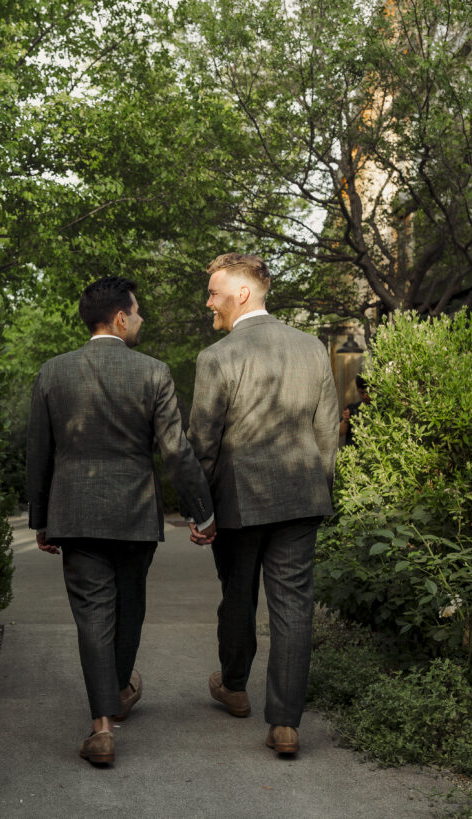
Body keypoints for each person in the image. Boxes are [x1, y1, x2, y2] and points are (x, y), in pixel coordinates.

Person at [26, 276, 216, 766]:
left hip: (76, 514)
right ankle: (117, 692)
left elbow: (39, 454)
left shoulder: (52, 372)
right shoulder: (153, 373)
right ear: (118, 318)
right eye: (137, 312)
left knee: (93, 617)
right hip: (135, 514)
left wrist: (41, 519)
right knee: (129, 607)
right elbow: (175, 452)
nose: (142, 320)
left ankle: (102, 726)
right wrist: (203, 511)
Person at [187, 253, 339, 756]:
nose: (208, 301)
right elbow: (326, 432)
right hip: (301, 496)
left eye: (214, 292)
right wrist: (319, 488)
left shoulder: (217, 357)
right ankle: (286, 725)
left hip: (238, 500)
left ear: (242, 294)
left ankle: (234, 688)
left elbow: (202, 443)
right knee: (293, 607)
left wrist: (202, 510)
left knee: (237, 594)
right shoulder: (312, 348)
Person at [339, 374, 370, 447]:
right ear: (357, 391)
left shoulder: (380, 408)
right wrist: (345, 420)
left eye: (367, 392)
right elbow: (341, 432)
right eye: (362, 393)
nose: (365, 396)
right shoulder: (352, 408)